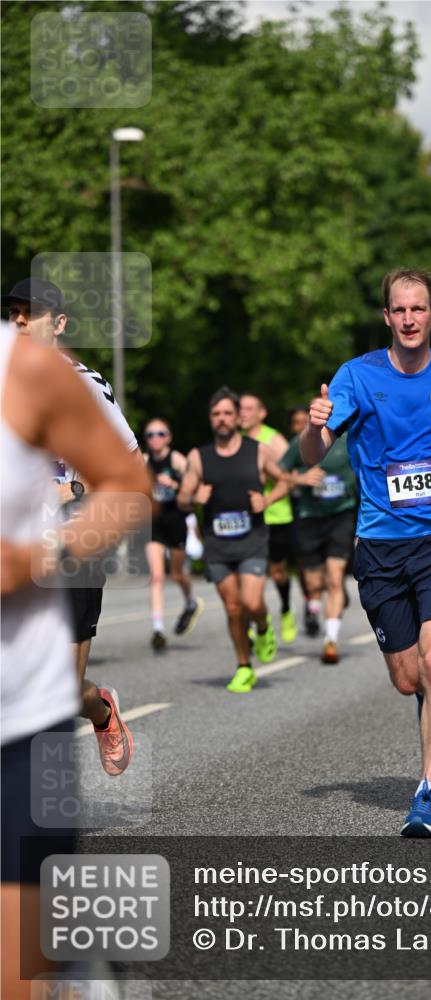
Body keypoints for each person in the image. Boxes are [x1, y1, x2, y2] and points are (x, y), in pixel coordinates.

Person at [301, 268, 431, 837]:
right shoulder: (356, 375)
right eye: (399, 310)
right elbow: (312, 454)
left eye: (418, 309)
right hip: (379, 545)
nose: (409, 319)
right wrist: (313, 425)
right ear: (388, 317)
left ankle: (427, 794)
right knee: (408, 677)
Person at [1, 323, 150, 1000]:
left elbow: (125, 479)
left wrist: (43, 551)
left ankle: (64, 964)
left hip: (16, 714)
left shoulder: (32, 370)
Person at [3, 277, 144, 774]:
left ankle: (100, 709)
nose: (21, 320)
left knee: (59, 691)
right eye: (15, 311)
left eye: (32, 312)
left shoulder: (85, 383)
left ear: (59, 323)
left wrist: (76, 493)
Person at [178, 387, 292, 693]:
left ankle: (264, 627)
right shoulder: (198, 457)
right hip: (217, 544)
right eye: (217, 414)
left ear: (237, 416)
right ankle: (244, 666)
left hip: (252, 539)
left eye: (228, 413)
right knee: (232, 608)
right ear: (210, 419)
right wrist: (193, 498)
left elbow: (285, 481)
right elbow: (182, 499)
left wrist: (266, 502)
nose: (223, 419)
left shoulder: (257, 451)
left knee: (252, 602)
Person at [281, 423, 358, 663]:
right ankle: (313, 605)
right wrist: (300, 478)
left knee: (335, 577)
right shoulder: (301, 441)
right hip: (309, 518)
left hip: (341, 515)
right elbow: (277, 471)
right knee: (314, 583)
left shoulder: (349, 441)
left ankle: (330, 640)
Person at [240, 393, 298, 643]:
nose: (242, 413)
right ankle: (254, 622)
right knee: (253, 575)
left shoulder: (274, 441)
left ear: (261, 413)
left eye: (248, 408)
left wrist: (266, 498)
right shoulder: (236, 442)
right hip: (248, 521)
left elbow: (291, 479)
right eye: (239, 408)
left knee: (277, 572)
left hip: (276, 517)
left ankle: (285, 609)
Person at [143, 418, 204, 651]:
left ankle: (190, 602)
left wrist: (175, 485)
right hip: (154, 525)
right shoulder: (145, 462)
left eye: (160, 434)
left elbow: (195, 490)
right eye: (150, 435)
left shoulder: (178, 460)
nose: (155, 439)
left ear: (168, 437)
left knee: (177, 574)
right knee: (157, 576)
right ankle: (158, 629)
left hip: (176, 522)